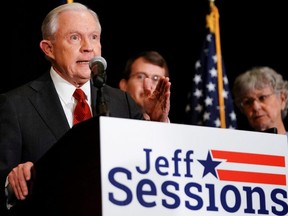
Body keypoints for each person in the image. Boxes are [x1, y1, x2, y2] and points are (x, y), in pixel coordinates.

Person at [0, 2, 171, 214]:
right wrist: (12, 181)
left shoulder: (123, 102)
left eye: (94, 37)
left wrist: (157, 123)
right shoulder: (16, 105)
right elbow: (4, 179)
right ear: (48, 48)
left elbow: (152, 170)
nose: (88, 47)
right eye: (74, 37)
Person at [232, 66, 288, 137]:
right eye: (247, 102)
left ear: (282, 99)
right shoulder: (237, 147)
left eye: (262, 97)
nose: (256, 107)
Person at [119, 50, 170, 121]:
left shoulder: (176, 131)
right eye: (140, 76)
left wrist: (160, 122)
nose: (148, 85)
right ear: (124, 85)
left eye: (155, 79)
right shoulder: (108, 118)